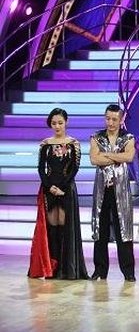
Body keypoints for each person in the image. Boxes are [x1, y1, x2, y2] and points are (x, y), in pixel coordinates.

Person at [28, 108, 88, 280]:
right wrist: (50, 187)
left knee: (64, 225)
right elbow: (41, 169)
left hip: (66, 189)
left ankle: (65, 268)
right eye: (54, 123)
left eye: (60, 123)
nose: (57, 126)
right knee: (51, 226)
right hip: (49, 189)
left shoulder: (74, 144)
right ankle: (51, 267)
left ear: (66, 122)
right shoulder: (45, 145)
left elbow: (74, 169)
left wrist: (61, 187)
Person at [89, 104, 136, 282]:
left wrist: (106, 155)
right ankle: (100, 270)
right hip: (102, 190)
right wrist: (117, 156)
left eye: (114, 119)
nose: (110, 122)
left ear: (121, 119)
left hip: (121, 190)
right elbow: (94, 159)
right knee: (99, 229)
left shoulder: (128, 137)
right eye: (108, 118)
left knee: (123, 228)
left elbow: (129, 157)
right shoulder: (97, 137)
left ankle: (128, 271)